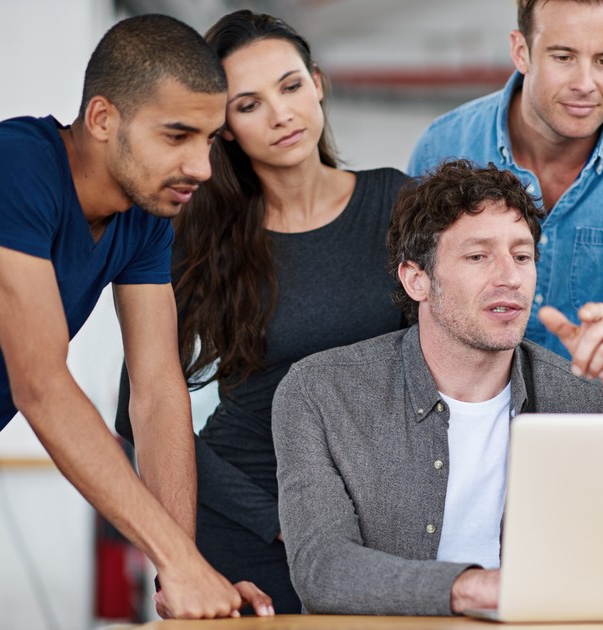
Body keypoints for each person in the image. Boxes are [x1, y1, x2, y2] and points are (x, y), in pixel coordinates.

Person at [0, 14, 274, 626]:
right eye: (177, 136)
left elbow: (157, 392)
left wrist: (180, 566)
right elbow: (40, 384)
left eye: (210, 140)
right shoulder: (12, 167)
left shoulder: (145, 218)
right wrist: (177, 559)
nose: (201, 166)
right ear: (102, 118)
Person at [114, 10, 408, 614]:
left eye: (291, 86)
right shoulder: (201, 238)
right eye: (248, 105)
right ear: (223, 128)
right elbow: (136, 413)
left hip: (374, 526)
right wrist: (270, 519)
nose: (281, 115)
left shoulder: (397, 203)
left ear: (317, 84)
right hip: (249, 524)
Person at [272, 160, 603, 616]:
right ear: (417, 279)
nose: (510, 277)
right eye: (478, 256)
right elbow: (322, 568)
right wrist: (475, 589)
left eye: (522, 256)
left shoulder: (584, 398)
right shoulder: (320, 392)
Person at [408, 0, 603, 413]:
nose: (585, 84)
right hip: (466, 422)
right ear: (521, 51)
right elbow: (419, 316)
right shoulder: (443, 145)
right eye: (563, 57)